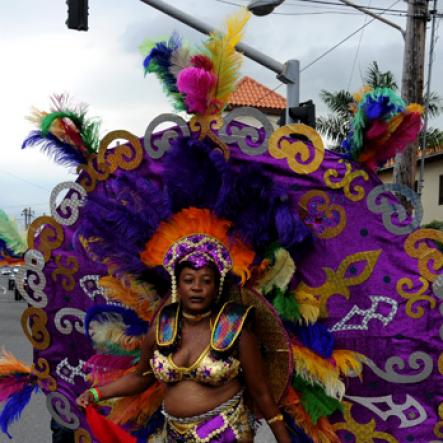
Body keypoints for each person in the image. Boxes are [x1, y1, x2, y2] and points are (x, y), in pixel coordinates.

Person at [76, 212, 292, 443]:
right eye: (189, 280)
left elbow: (261, 393)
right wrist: (96, 393)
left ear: (217, 287)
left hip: (226, 434)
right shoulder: (162, 328)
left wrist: (283, 439)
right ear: (178, 285)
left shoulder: (235, 330)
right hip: (176, 434)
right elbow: (141, 377)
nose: (197, 288)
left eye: (206, 281)